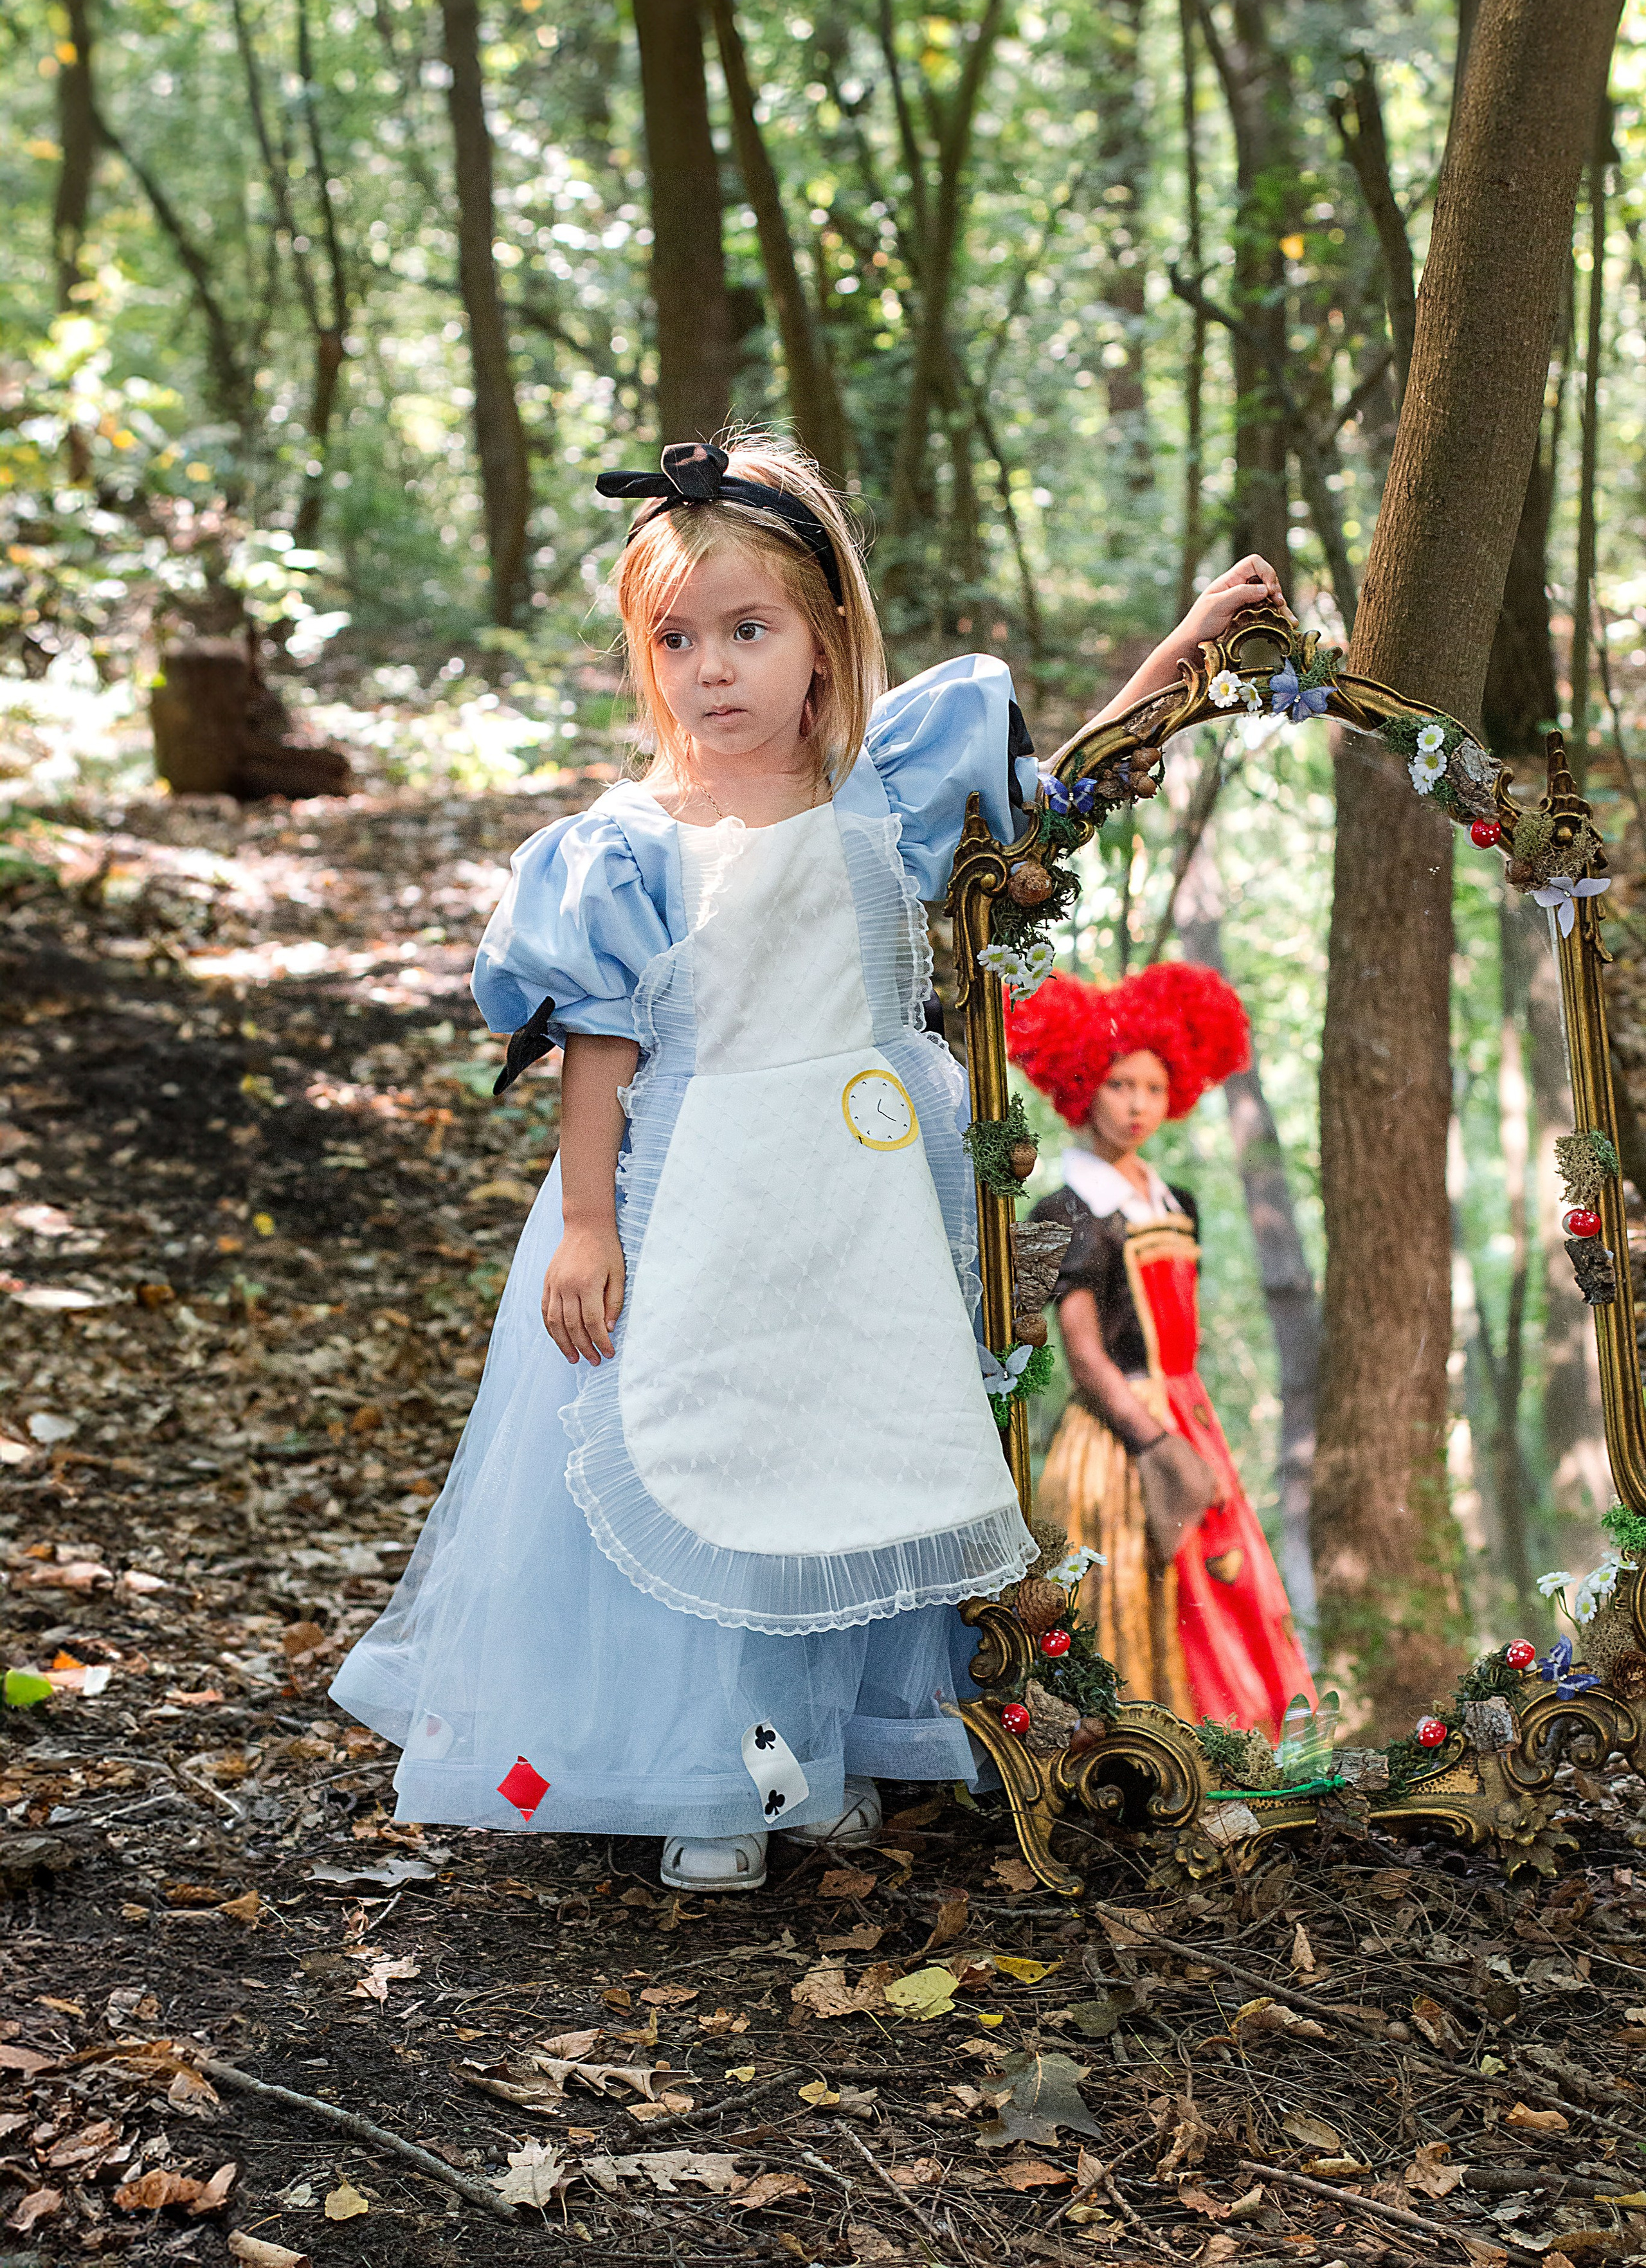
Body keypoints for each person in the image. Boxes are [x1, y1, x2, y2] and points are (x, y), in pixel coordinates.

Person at [332, 430, 1289, 1886]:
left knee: (838, 1466)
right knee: (711, 1457)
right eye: (676, 637)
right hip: (699, 1195)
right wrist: (587, 1221)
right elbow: (598, 1044)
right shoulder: (631, 844)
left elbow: (1061, 794)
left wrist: (1186, 649)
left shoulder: (885, 802)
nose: (710, 667)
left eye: (746, 629)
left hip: (854, 1212)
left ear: (824, 639)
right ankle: (716, 1783)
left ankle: (815, 1758)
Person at [1009, 965, 1316, 1738]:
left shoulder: (1177, 1200)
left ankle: (1234, 1753)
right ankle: (1137, 1764)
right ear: (1083, 1086)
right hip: (1120, 1434)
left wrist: (1186, 1430)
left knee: (1219, 1582)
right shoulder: (1066, 1208)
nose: (1137, 1103)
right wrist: (1156, 1444)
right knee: (1126, 1601)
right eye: (1119, 1085)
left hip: (1188, 1410)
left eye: (1151, 1085)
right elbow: (1084, 1357)